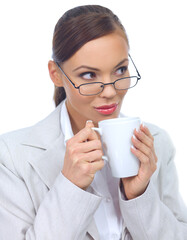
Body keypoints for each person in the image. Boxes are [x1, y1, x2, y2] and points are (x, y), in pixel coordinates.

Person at [0, 4, 187, 240]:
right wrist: (70, 188)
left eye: (120, 70)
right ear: (56, 74)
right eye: (89, 75)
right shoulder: (11, 158)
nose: (109, 91)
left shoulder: (156, 143)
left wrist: (140, 197)